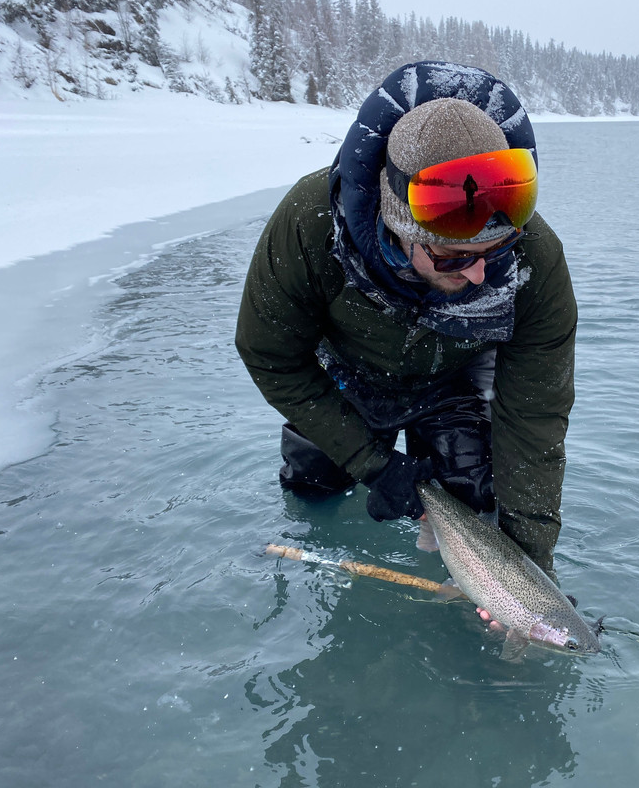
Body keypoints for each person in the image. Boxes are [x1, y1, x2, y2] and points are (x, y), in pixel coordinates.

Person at [235, 61, 576, 579]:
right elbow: (270, 356)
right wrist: (369, 462)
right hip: (348, 372)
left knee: (473, 492)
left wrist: (531, 572)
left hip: (455, 374)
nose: (483, 274)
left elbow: (535, 417)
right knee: (313, 486)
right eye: (453, 258)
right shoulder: (309, 223)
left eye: (497, 249)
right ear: (398, 230)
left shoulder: (536, 259)